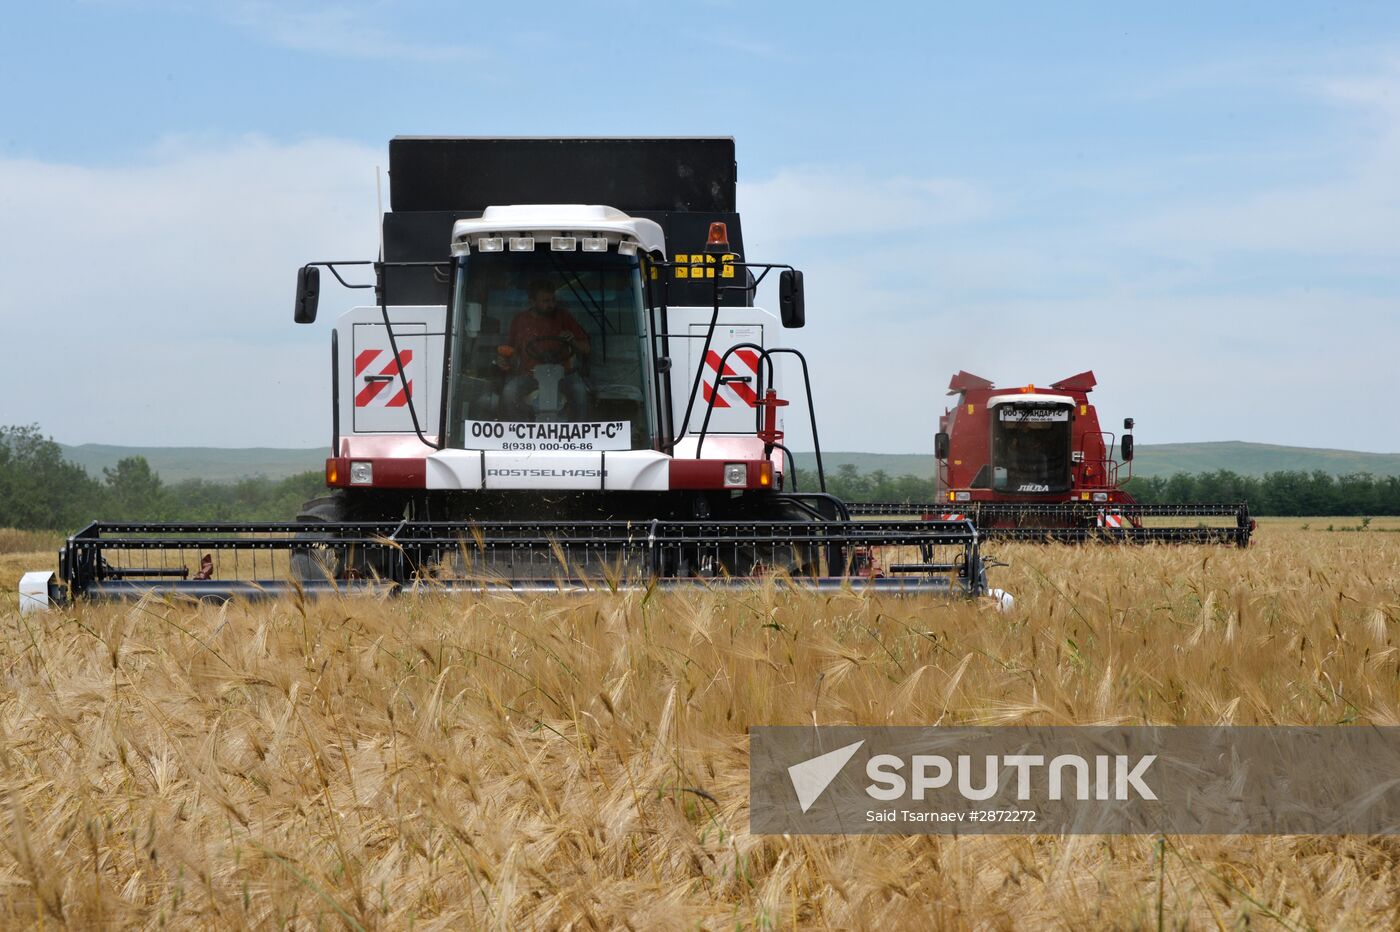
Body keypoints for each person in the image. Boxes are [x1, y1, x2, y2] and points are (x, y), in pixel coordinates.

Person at [500, 280, 591, 419]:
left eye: (553, 300)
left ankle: (579, 433)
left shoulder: (564, 316)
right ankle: (517, 433)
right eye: (546, 301)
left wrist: (572, 341)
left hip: (563, 375)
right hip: (530, 375)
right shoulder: (520, 320)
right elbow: (510, 350)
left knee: (580, 392)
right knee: (509, 392)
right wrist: (504, 360)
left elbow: (586, 349)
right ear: (532, 301)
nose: (551, 304)